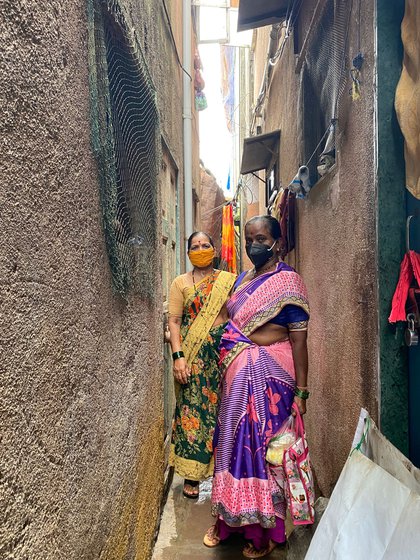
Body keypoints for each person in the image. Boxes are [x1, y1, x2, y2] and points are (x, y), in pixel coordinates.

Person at [204, 215, 310, 558]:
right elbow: (229, 321)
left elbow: (298, 342)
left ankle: (264, 533)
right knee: (231, 444)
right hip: (237, 378)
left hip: (271, 378)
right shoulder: (243, 279)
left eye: (261, 238)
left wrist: (302, 393)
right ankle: (228, 521)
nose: (254, 245)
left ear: (276, 242)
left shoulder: (288, 282)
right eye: (249, 238)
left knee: (263, 452)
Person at [168, 232, 236, 499]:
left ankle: (224, 472)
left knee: (225, 411)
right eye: (194, 247)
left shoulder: (228, 281)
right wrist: (179, 357)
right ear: (188, 253)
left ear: (214, 249)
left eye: (205, 245)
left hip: (222, 355)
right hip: (192, 358)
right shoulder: (180, 283)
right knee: (192, 413)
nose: (200, 249)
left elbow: (236, 315)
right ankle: (191, 475)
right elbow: (174, 322)